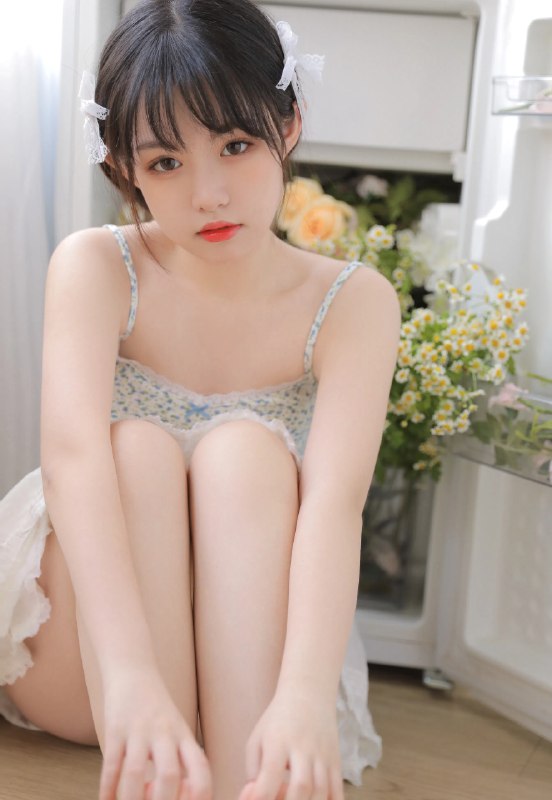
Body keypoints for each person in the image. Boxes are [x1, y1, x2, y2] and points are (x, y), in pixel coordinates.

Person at [0, 1, 400, 799]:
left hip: (241, 665)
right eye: (165, 164)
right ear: (124, 169)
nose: (209, 194)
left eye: (236, 145)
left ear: (289, 125)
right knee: (136, 449)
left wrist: (303, 697)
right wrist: (130, 677)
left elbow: (333, 509)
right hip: (90, 651)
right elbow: (73, 464)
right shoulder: (97, 266)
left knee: (248, 454)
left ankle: (236, 775)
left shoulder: (354, 302)